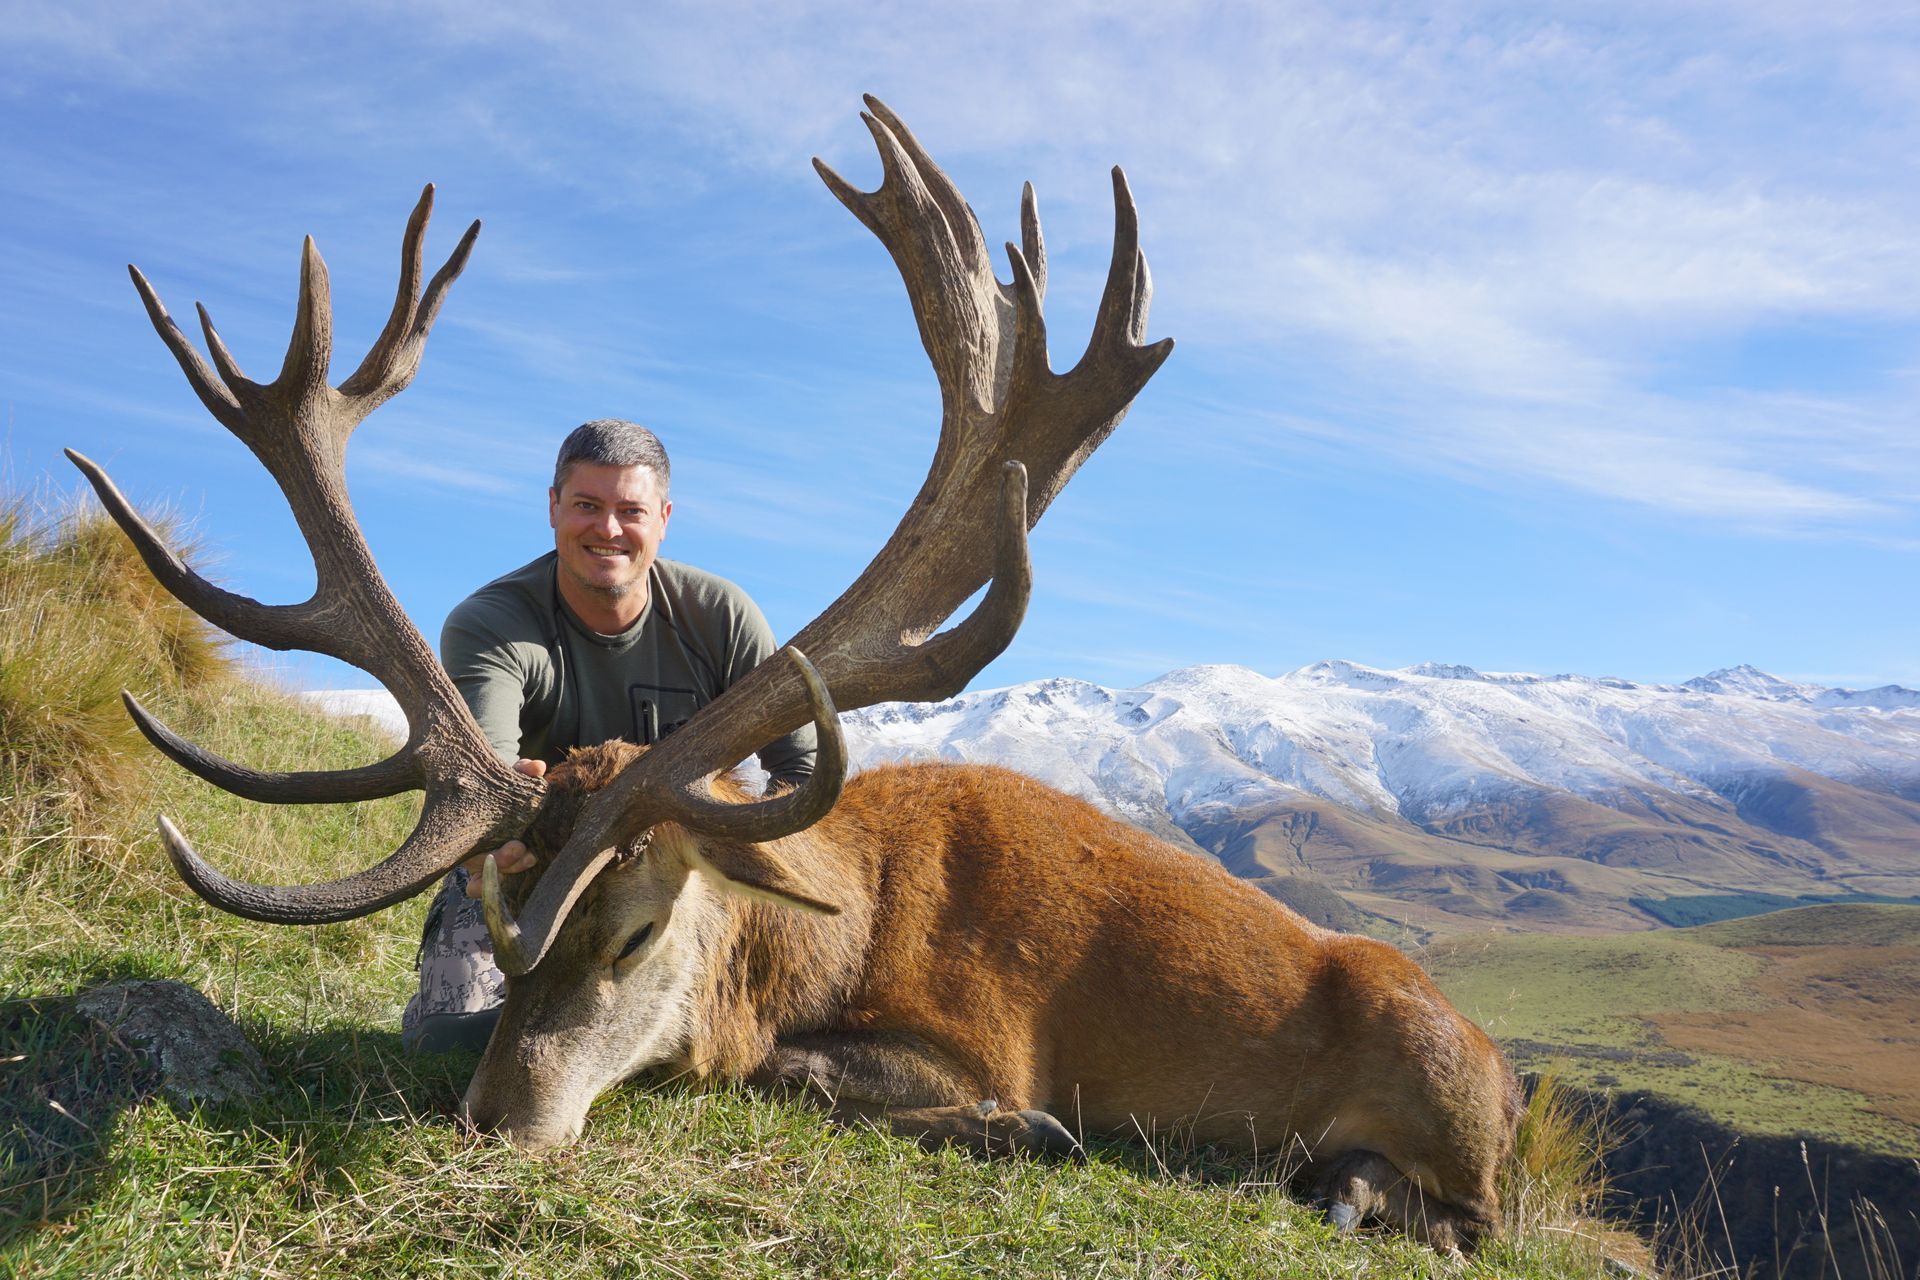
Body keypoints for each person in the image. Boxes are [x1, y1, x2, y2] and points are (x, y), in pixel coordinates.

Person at [402, 419, 816, 1052]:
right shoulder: (492, 625)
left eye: (631, 510)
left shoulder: (720, 617)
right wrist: (491, 829)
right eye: (588, 506)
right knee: (443, 1049)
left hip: (683, 882)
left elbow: (804, 776)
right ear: (553, 507)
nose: (609, 530)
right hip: (534, 870)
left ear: (664, 518)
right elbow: (481, 780)